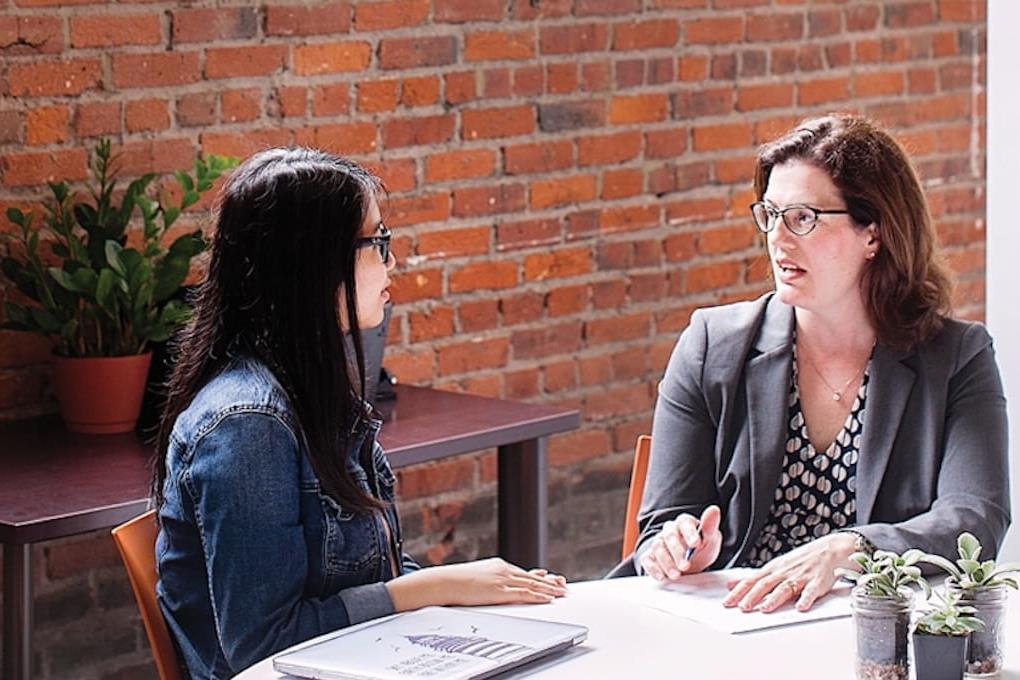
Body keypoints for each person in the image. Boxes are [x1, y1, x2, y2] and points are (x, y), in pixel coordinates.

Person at [152, 148, 567, 679]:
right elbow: (261, 647)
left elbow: (372, 572)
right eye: (378, 243)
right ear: (314, 261)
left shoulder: (315, 393)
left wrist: (457, 607)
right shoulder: (247, 425)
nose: (393, 263)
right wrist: (433, 587)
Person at [618, 114, 1009, 614]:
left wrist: (852, 549)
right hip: (730, 622)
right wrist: (680, 548)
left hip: (871, 628)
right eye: (770, 214)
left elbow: (975, 520)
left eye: (803, 218)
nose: (778, 239)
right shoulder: (711, 345)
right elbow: (661, 526)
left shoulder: (957, 357)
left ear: (874, 234)